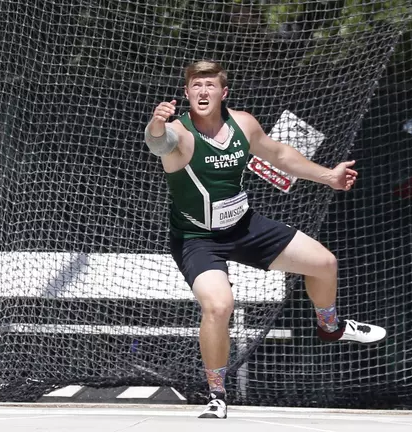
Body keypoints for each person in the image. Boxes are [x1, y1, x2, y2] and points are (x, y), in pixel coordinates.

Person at [143, 61, 387, 419]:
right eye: (196, 86)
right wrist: (156, 121)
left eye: (210, 85)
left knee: (324, 264)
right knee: (218, 306)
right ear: (186, 93)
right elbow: (156, 143)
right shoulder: (178, 133)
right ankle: (217, 393)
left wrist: (329, 177)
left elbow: (280, 155)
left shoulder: (243, 124)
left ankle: (331, 327)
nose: (203, 91)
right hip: (198, 238)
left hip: (245, 227)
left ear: (223, 93)